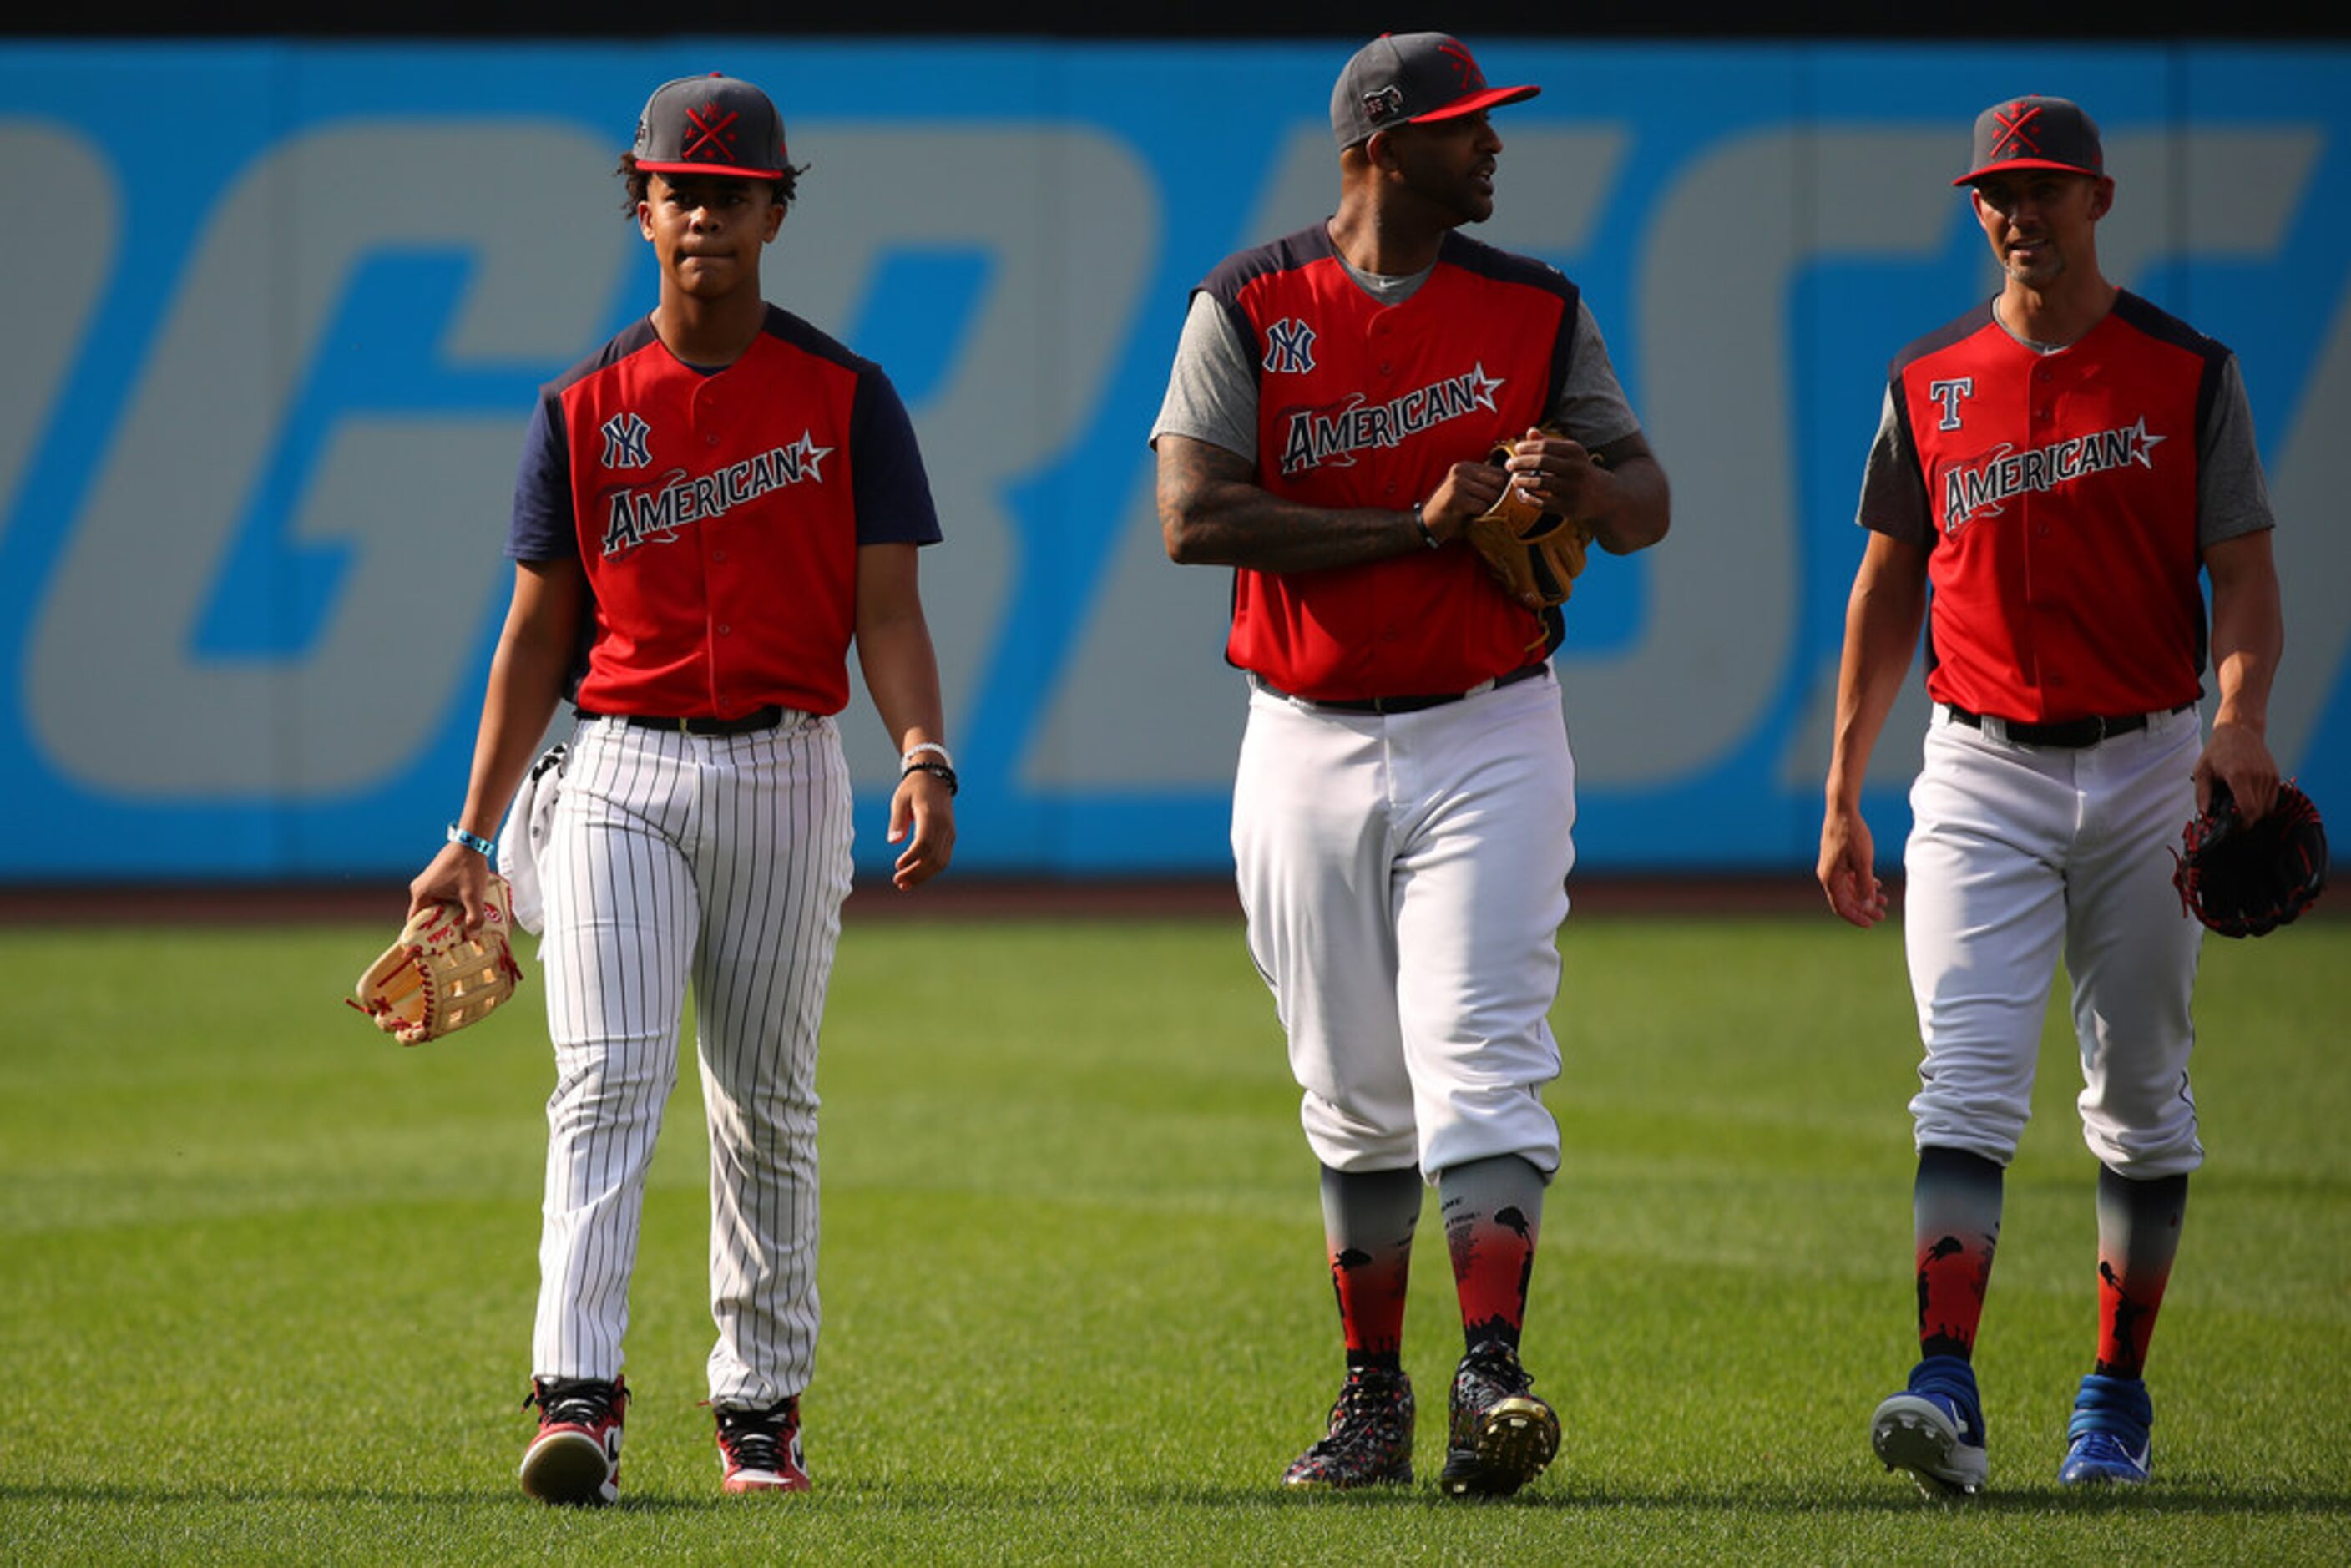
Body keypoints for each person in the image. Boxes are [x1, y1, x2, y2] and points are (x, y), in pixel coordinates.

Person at [404, 71, 958, 1505]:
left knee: (766, 1100)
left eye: (732, 191)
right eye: (680, 188)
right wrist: (471, 832)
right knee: (603, 1082)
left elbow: (885, 612)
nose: (705, 211)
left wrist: (920, 751)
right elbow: (534, 635)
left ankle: (759, 1408)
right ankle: (575, 1395)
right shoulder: (585, 406)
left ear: (777, 210)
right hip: (620, 768)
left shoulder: (848, 395)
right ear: (641, 207)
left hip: (786, 766)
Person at [1153, 32, 1670, 1497]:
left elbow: (1647, 502)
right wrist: (1415, 526)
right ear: (1379, 144)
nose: (1493, 148)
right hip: (1303, 737)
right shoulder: (1251, 302)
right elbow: (1192, 518)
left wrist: (1582, 483)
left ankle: (1489, 1370)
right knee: (1351, 1087)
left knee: (1484, 1052)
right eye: (1467, 129)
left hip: (1491, 722)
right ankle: (1373, 1394)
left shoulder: (1537, 306)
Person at [1818, 94, 2285, 1496]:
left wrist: (2240, 714)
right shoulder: (1929, 378)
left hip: (2150, 761)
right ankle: (1944, 1385)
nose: (2019, 213)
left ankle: (2114, 1400)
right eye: (1996, 192)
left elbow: (2245, 567)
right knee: (1960, 1079)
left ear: (2100, 199)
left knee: (2139, 1098)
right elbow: (1889, 584)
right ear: (1978, 209)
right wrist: (1844, 788)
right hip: (1977, 765)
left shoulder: (2184, 370)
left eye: (2044, 188)